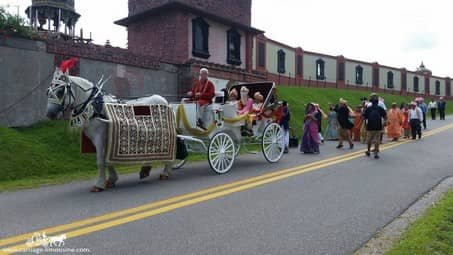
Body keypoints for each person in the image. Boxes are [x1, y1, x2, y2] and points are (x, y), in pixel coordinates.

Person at [363, 94, 387, 159]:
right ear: (377, 102)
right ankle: (376, 153)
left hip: (370, 125)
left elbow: (365, 117)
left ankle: (368, 151)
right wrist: (384, 122)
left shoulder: (368, 108)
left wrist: (365, 125)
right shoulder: (380, 108)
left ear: (371, 102)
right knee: (377, 140)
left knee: (369, 139)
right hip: (378, 126)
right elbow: (385, 116)